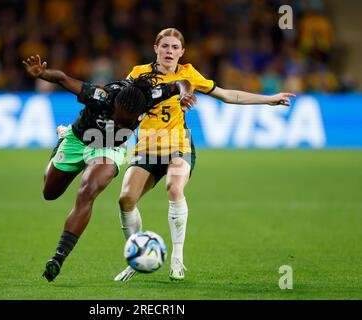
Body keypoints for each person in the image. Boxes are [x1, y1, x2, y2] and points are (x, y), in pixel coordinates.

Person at [114, 28, 296, 282]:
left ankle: (177, 258)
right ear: (156, 48)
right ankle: (137, 257)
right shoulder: (138, 74)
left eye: (175, 48)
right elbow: (120, 105)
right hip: (146, 147)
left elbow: (227, 95)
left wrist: (268, 99)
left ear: (182, 52)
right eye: (165, 46)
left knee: (174, 189)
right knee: (125, 199)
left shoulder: (188, 74)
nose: (169, 52)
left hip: (178, 145)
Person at [22, 54, 197, 282]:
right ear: (114, 105)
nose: (124, 125)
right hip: (78, 140)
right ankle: (61, 140)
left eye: (129, 122)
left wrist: (184, 94)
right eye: (121, 120)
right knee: (50, 193)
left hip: (109, 148)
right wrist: (43, 74)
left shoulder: (149, 97)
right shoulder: (100, 96)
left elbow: (180, 83)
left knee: (88, 191)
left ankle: (58, 257)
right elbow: (64, 79)